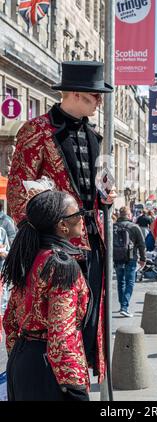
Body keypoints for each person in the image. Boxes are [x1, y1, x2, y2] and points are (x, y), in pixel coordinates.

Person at [7, 61, 116, 384]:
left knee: (86, 322)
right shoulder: (36, 130)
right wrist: (47, 238)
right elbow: (18, 195)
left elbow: (98, 190)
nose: (99, 102)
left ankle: (76, 380)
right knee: (54, 325)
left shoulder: (94, 136)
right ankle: (58, 383)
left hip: (92, 242)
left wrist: (106, 196)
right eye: (95, 96)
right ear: (75, 93)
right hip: (53, 248)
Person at [1, 189, 91, 401]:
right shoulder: (62, 266)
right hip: (48, 368)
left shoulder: (30, 255)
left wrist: (21, 358)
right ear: (62, 225)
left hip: (22, 361)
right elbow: (62, 334)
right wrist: (75, 387)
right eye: (78, 214)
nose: (82, 219)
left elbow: (10, 320)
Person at [114, 207, 146, 317]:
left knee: (120, 281)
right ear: (128, 215)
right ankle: (124, 306)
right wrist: (143, 259)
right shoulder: (134, 227)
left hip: (117, 257)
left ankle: (122, 305)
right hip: (131, 257)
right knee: (130, 282)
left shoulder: (113, 226)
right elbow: (141, 244)